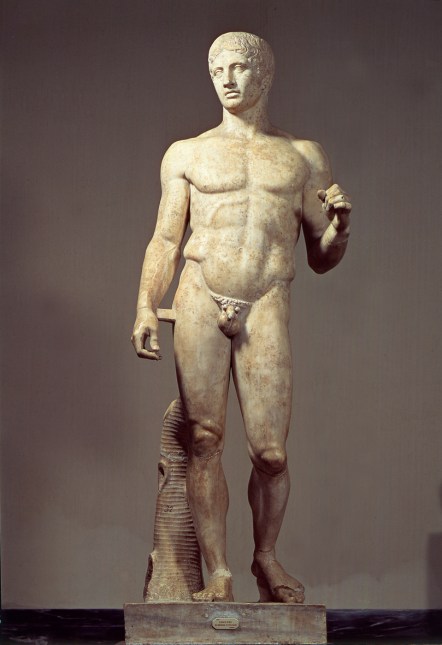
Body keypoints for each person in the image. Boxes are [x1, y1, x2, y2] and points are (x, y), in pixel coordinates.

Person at [131, 32, 351, 603]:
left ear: (264, 75)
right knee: (204, 439)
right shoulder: (187, 153)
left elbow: (321, 257)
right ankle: (219, 572)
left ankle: (265, 558)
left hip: (267, 297)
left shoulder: (302, 156)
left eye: (238, 68)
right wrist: (146, 305)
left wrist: (338, 230)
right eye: (217, 70)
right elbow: (165, 240)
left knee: (271, 452)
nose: (226, 79)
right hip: (201, 294)